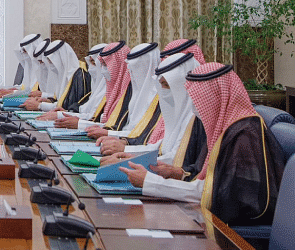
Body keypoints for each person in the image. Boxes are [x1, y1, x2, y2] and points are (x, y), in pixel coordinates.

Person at [121, 63, 285, 227]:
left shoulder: (244, 135)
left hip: (234, 230)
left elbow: (216, 195)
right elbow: (207, 178)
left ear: (215, 96)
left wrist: (150, 182)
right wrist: (178, 173)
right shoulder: (225, 125)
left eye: (198, 99)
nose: (194, 107)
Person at [92, 42, 162, 146]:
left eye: (135, 68)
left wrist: (114, 137)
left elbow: (145, 137)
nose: (131, 73)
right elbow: (127, 129)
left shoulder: (160, 98)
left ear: (146, 66)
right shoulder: (133, 91)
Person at [47, 43, 108, 126]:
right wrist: (64, 113)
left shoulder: (80, 76)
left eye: (94, 63)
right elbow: (85, 112)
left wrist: (62, 115)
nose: (90, 69)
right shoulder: (97, 88)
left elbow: (100, 121)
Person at [23, 40, 91, 113]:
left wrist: (40, 106)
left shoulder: (80, 76)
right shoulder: (62, 75)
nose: (50, 66)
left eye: (51, 61)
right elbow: (60, 101)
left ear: (61, 58)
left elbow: (74, 108)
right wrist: (48, 100)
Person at [82, 41, 133, 132]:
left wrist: (79, 124)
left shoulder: (129, 92)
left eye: (106, 65)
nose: (102, 71)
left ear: (119, 64)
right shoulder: (114, 91)